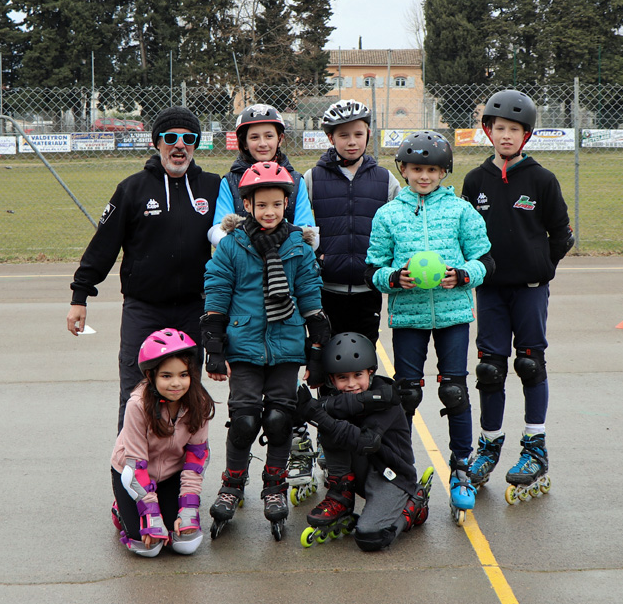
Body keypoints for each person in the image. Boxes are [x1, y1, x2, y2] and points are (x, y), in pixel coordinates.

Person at [365, 130, 495, 525]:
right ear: (403, 169)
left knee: (454, 390)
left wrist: (462, 275)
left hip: (453, 314)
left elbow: (485, 260)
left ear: (444, 172)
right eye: (417, 169)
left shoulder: (459, 210)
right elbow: (374, 267)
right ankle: (402, 469)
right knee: (406, 394)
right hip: (409, 317)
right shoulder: (389, 214)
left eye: (433, 170)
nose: (424, 177)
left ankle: (460, 468)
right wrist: (393, 279)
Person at [67, 106, 221, 432]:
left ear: (196, 144)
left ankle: (179, 475)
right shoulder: (132, 189)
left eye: (188, 138)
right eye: (170, 138)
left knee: (188, 393)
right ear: (157, 143)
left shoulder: (213, 187)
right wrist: (80, 295)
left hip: (195, 308)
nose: (179, 146)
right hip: (144, 309)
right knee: (136, 393)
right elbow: (103, 246)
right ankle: (129, 470)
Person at [201, 161, 329, 542]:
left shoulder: (297, 245)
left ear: (286, 204)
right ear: (247, 207)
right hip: (243, 346)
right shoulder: (233, 245)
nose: (269, 212)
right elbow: (218, 290)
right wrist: (214, 343)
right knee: (243, 420)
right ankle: (232, 483)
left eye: (277, 204)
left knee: (278, 418)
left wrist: (317, 342)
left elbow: (309, 291)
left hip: (286, 346)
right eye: (261, 206)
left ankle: (273, 486)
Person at [460, 90, 574, 504]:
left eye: (514, 130)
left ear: (526, 135)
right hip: (489, 289)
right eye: (499, 128)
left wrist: (541, 268)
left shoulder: (542, 179)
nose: (505, 136)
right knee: (489, 369)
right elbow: (465, 236)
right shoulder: (475, 181)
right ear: (488, 131)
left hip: (529, 290)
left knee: (529, 363)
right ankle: (488, 447)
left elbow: (562, 234)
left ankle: (535, 448)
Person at [287, 99, 402, 503]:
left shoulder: (386, 180)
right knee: (325, 372)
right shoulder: (312, 179)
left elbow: (398, 230)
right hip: (326, 292)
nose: (351, 141)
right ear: (329, 138)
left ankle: (362, 447)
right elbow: (301, 228)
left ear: (368, 134)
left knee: (359, 371)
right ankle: (331, 448)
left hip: (368, 291)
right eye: (342, 135)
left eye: (358, 133)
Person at [295, 332, 434, 551]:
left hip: (392, 476)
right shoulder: (336, 400)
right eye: (343, 378)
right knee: (331, 423)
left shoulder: (387, 399)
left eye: (358, 375)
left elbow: (367, 442)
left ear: (371, 372)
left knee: (370, 537)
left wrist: (318, 415)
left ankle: (414, 503)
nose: (352, 384)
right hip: (360, 472)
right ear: (332, 379)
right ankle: (341, 494)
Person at [110, 328, 215, 557]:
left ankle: (166, 508)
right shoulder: (137, 405)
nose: (176, 383)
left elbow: (195, 461)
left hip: (171, 473)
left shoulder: (200, 403)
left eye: (183, 374)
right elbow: (136, 466)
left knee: (186, 544)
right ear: (151, 376)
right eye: (166, 376)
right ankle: (121, 507)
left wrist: (188, 509)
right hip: (132, 473)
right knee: (149, 548)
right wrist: (150, 513)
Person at [207, 103, 317, 250]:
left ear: (280, 139)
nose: (263, 143)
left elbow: (307, 232)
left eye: (269, 136)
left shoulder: (296, 180)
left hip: (285, 259)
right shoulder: (230, 181)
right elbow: (220, 230)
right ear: (244, 143)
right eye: (254, 137)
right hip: (243, 258)